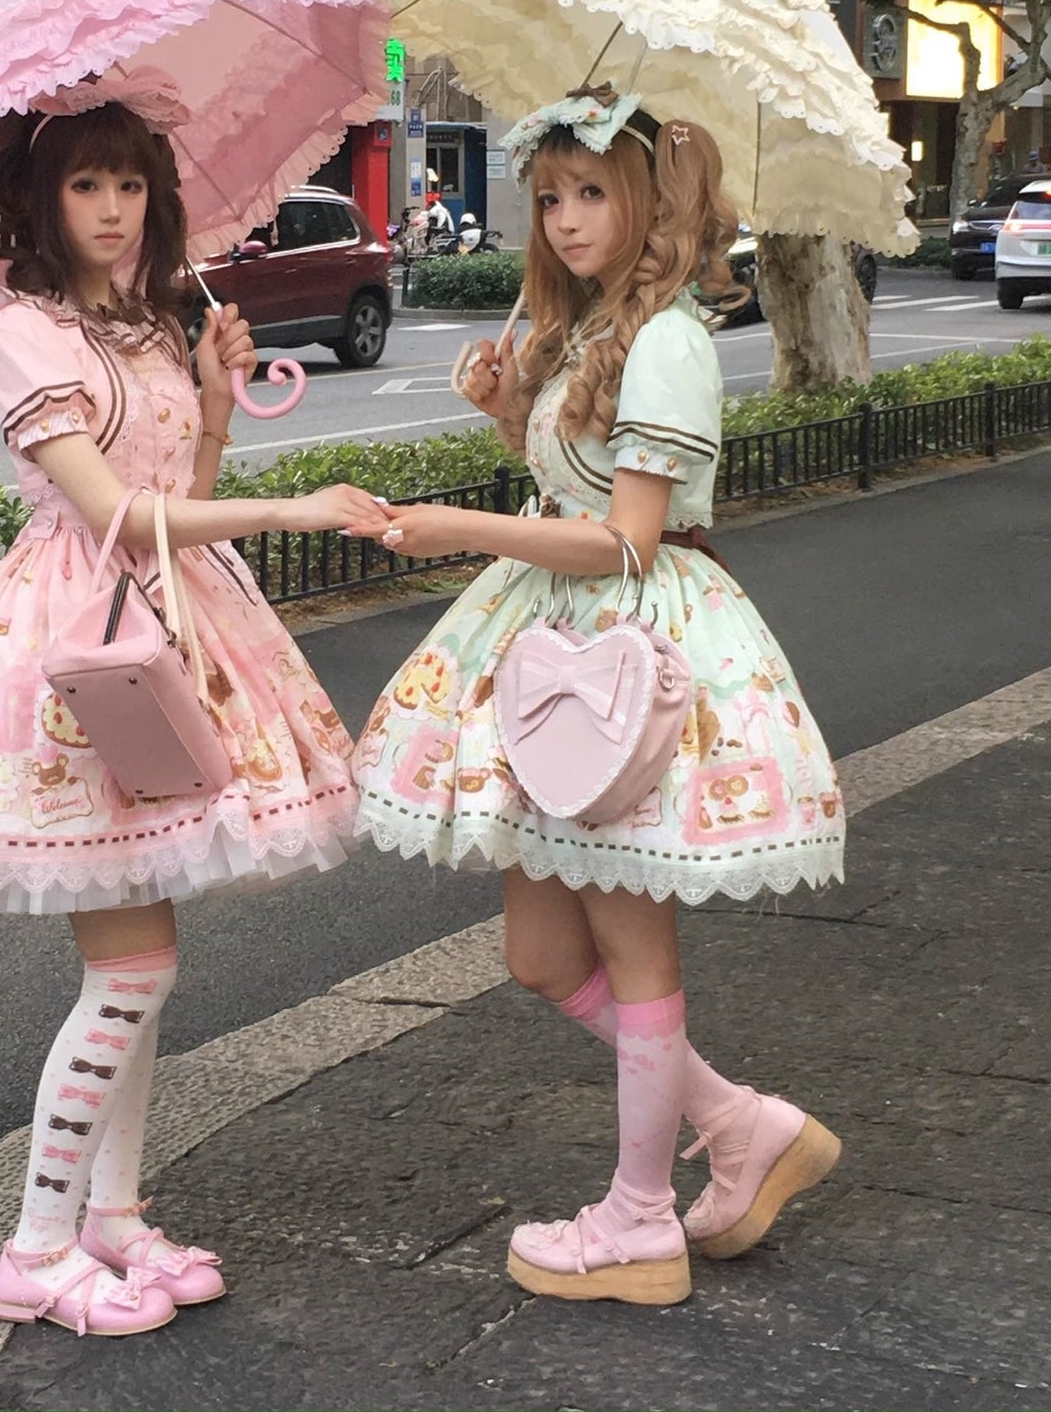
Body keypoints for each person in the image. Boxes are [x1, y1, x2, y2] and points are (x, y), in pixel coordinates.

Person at [0, 101, 389, 1340]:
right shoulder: (22, 329)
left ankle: (113, 1219)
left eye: (129, 186)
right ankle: (37, 1249)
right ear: (41, 201)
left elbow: (177, 495)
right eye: (85, 185)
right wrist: (294, 510)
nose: (111, 209)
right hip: (79, 658)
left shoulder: (149, 324)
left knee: (137, 970)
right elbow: (110, 514)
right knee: (134, 966)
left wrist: (210, 397)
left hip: (169, 635)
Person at [352, 90, 845, 1307]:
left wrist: (462, 529)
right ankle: (736, 1125)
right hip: (557, 648)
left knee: (630, 944)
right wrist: (508, 413)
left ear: (650, 201)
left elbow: (626, 538)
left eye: (590, 193)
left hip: (625, 652)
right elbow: (580, 489)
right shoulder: (586, 332)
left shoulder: (667, 338)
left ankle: (638, 1221)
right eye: (549, 197)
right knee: (537, 953)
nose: (566, 218)